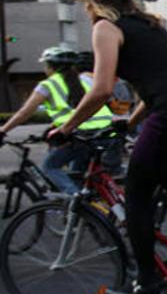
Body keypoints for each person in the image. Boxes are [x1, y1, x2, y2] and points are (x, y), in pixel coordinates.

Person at [50, 0, 167, 294]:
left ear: (96, 1)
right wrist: (131, 122)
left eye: (87, 4)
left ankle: (146, 278)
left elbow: (101, 89)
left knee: (136, 194)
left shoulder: (106, 28)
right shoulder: (151, 26)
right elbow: (158, 82)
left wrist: (66, 129)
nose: (86, 12)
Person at [0, 46, 114, 194]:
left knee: (50, 166)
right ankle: (85, 209)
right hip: (106, 132)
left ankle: (77, 204)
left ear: (49, 67)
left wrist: (3, 130)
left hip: (82, 134)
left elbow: (24, 113)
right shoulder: (86, 80)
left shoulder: (48, 85)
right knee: (77, 174)